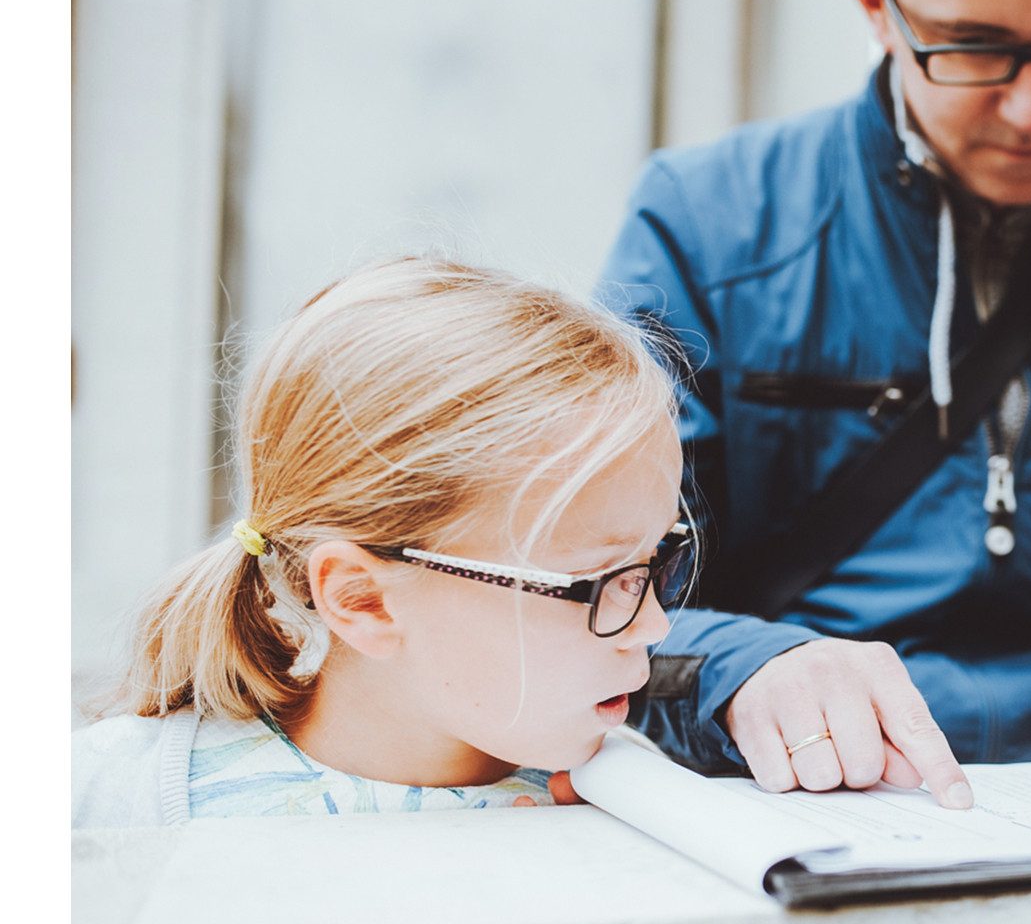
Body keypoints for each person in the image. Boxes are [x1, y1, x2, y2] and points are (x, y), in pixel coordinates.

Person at [597, 0, 1031, 802]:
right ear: (874, 3)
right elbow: (597, 593)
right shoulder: (705, 228)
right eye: (974, 48)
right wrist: (745, 670)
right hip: (788, 788)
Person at [72, 258, 691, 827]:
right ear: (363, 599)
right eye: (603, 582)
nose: (657, 626)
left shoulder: (633, 800)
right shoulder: (108, 799)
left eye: (654, 563)